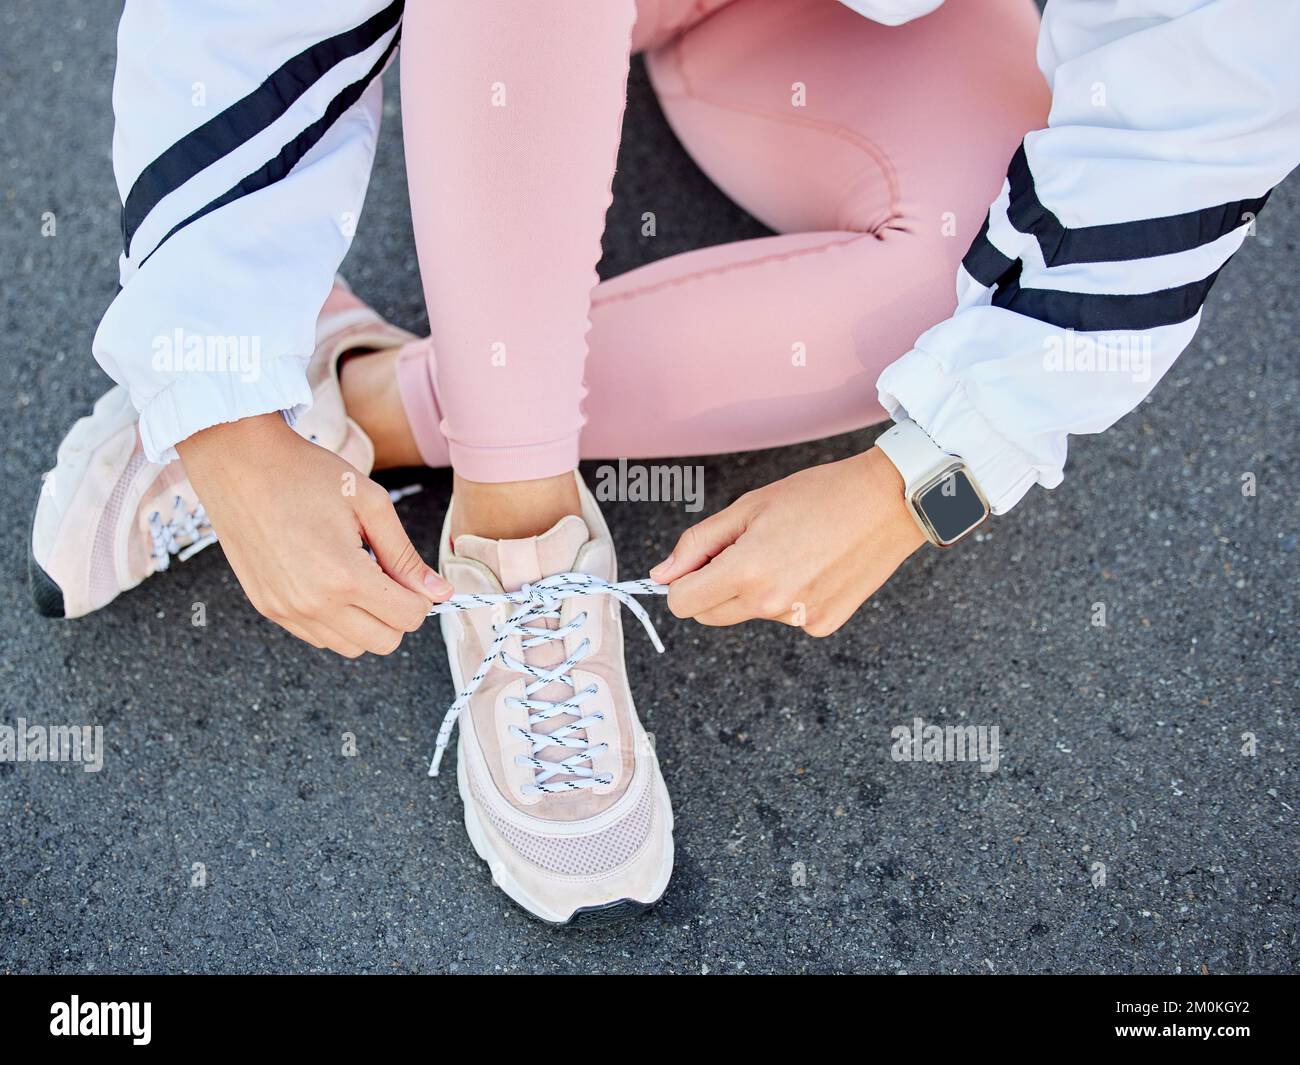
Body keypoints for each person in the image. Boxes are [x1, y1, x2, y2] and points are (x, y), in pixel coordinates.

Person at [30, 0, 1299, 923]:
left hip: (831, 26)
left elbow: (1189, 118)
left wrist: (918, 481)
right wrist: (219, 420)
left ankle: (350, 400)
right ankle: (515, 533)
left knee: (961, 276)